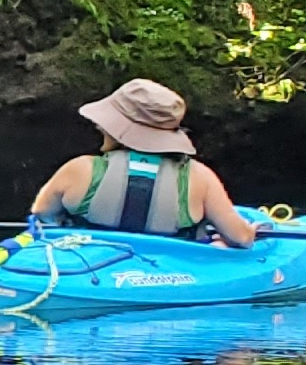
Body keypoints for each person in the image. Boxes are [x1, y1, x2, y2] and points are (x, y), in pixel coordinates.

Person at [27, 77, 257, 247]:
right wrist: (247, 233)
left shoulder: (78, 169)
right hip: (169, 275)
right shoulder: (200, 177)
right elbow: (242, 238)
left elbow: (43, 214)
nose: (98, 126)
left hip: (87, 269)